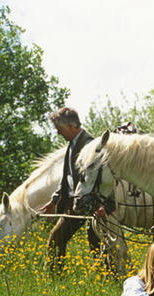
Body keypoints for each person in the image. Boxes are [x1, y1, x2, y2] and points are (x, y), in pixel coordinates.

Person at [39, 107, 101, 273]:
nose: (59, 133)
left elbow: (96, 180)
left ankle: (109, 280)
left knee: (97, 244)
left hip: (90, 204)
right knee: (56, 237)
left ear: (72, 126)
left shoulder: (90, 145)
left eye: (60, 129)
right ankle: (53, 278)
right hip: (73, 204)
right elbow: (67, 177)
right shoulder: (72, 145)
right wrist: (54, 200)